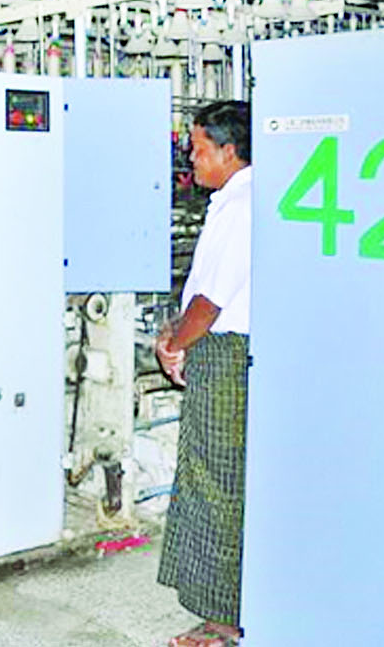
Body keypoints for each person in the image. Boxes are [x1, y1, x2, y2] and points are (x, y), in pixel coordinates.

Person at [156, 101, 252, 647]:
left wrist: (175, 344)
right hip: (219, 348)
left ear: (228, 150)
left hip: (225, 356)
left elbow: (212, 301)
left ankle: (224, 621)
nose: (191, 159)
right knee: (212, 476)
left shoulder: (241, 208)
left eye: (197, 149)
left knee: (218, 484)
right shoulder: (232, 201)